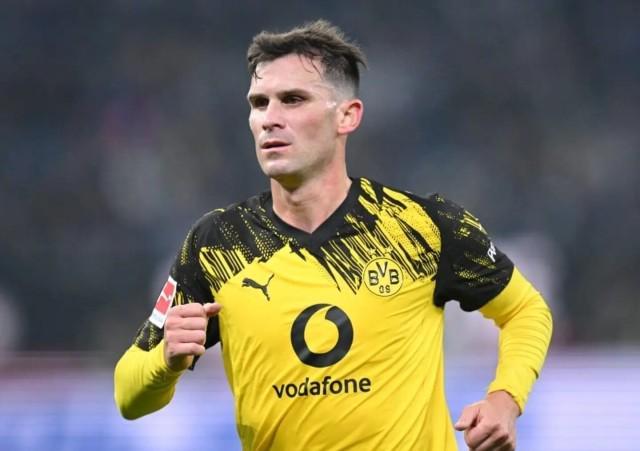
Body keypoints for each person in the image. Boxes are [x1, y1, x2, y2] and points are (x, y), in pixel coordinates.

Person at [114, 19, 553, 451]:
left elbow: (526, 311)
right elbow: (128, 395)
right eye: (259, 103)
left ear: (347, 115)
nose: (269, 119)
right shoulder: (218, 244)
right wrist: (165, 362)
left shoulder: (420, 226)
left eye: (292, 100)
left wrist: (505, 400)